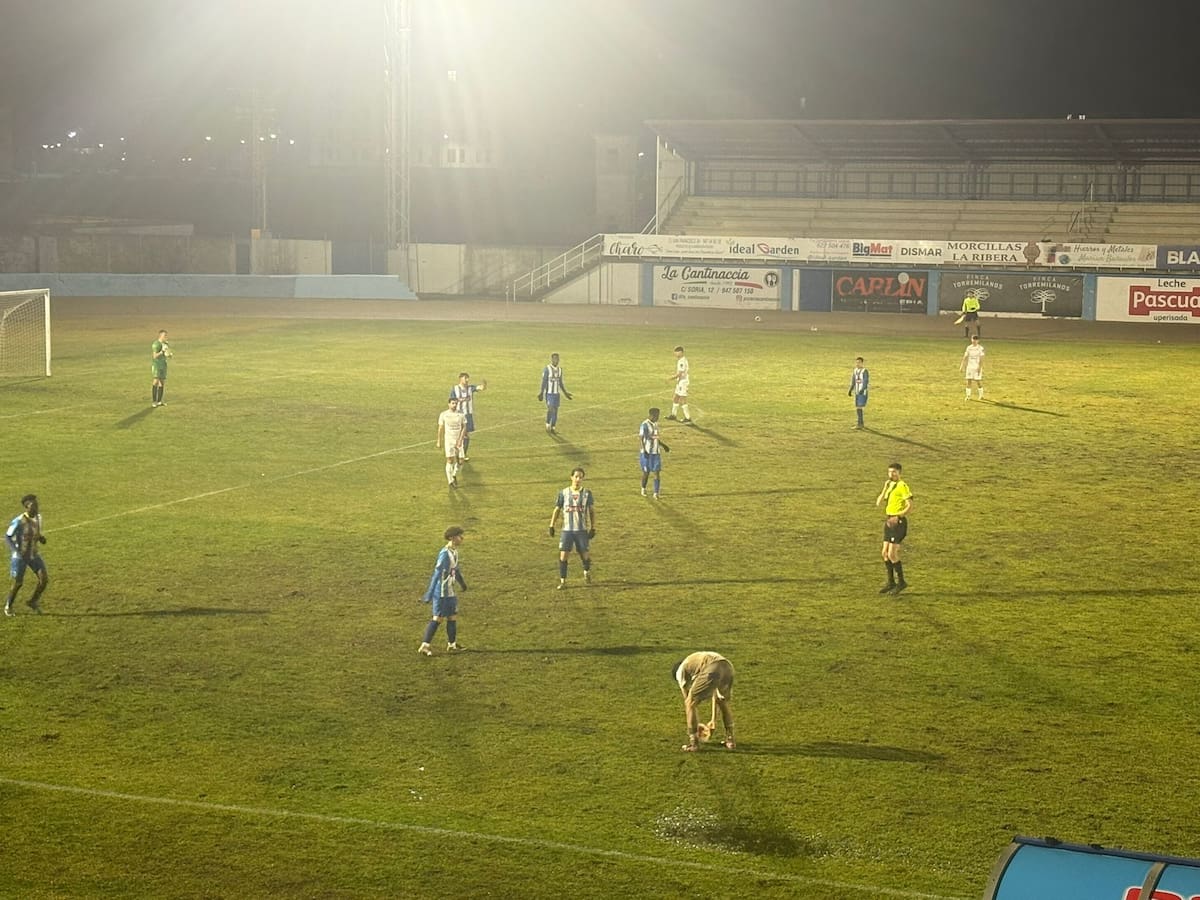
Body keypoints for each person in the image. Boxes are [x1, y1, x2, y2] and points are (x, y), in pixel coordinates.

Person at [418, 526, 468, 656]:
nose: (462, 538)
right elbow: (437, 574)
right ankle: (424, 645)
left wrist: (462, 584)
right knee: (438, 618)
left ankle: (451, 644)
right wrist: (429, 594)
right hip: (441, 592)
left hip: (450, 591)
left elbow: (455, 570)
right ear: (452, 537)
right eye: (459, 536)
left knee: (452, 616)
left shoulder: (454, 551)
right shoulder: (444, 554)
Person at [674, 651, 736, 752]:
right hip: (727, 667)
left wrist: (696, 725)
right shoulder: (695, 662)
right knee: (723, 701)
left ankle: (693, 743)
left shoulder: (680, 671)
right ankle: (730, 740)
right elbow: (716, 696)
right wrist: (713, 721)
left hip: (712, 667)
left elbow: (687, 700)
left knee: (689, 703)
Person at [548, 466, 595, 589]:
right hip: (567, 531)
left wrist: (593, 527)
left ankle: (586, 571)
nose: (578, 479)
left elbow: (591, 511)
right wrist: (551, 525)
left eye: (580, 477)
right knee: (563, 556)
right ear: (571, 477)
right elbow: (557, 509)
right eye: (576, 476)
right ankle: (563, 581)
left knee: (584, 554)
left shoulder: (586, 494)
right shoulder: (563, 493)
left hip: (581, 530)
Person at [5, 494, 48, 616]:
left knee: (43, 580)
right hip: (20, 557)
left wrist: (41, 538)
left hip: (33, 554)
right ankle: (8, 606)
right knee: (18, 583)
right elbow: (7, 536)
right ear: (27, 508)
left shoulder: (39, 518)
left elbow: (36, 533)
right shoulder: (19, 521)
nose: (36, 508)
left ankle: (32, 601)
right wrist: (15, 550)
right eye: (33, 506)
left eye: (37, 505)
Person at [875, 462, 913, 595]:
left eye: (894, 472)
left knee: (892, 554)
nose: (892, 474)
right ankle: (891, 582)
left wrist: (899, 515)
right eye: (890, 472)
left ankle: (901, 582)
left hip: (898, 523)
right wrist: (885, 488)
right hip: (889, 521)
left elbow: (910, 505)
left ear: (899, 473)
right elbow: (879, 502)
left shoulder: (902, 486)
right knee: (884, 553)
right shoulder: (890, 485)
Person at [449, 372, 487, 459]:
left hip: (468, 415)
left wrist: (484, 385)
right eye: (465, 378)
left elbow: (481, 388)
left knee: (466, 435)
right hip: (458, 415)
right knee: (458, 434)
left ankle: (463, 453)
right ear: (460, 379)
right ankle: (457, 452)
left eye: (468, 378)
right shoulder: (455, 389)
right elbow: (451, 401)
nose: (467, 380)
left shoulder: (470, 388)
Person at [537, 352, 573, 434]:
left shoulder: (560, 370)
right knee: (550, 408)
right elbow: (544, 381)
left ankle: (553, 427)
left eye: (558, 359)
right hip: (549, 394)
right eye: (555, 358)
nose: (556, 360)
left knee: (555, 410)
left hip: (557, 394)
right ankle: (547, 424)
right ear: (552, 359)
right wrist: (541, 393)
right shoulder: (547, 369)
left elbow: (560, 382)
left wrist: (565, 393)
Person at [436, 396, 468, 488]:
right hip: (449, 440)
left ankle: (454, 474)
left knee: (461, 461)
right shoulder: (444, 414)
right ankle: (450, 481)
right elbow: (440, 428)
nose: (454, 405)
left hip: (458, 441)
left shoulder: (461, 414)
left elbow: (464, 427)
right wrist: (439, 441)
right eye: (453, 403)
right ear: (449, 404)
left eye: (456, 403)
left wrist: (460, 440)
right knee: (450, 460)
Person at [638, 407, 670, 498]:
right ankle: (643, 488)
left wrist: (663, 445)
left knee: (656, 472)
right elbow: (641, 438)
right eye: (657, 415)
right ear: (652, 415)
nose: (658, 417)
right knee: (646, 472)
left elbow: (655, 438)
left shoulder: (655, 424)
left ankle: (656, 493)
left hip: (656, 453)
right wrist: (644, 451)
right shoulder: (644, 425)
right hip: (647, 453)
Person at [667, 345, 692, 424]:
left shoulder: (682, 361)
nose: (675, 355)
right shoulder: (681, 360)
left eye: (676, 353)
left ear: (681, 352)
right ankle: (673, 415)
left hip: (683, 382)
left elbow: (680, 373)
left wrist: (671, 378)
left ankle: (688, 418)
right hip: (680, 382)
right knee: (675, 397)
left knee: (682, 399)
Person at [151, 329, 172, 407]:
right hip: (157, 365)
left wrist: (169, 354)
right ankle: (154, 401)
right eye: (164, 336)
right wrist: (161, 352)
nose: (166, 337)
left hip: (163, 364)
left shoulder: (165, 344)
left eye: (166, 335)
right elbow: (154, 356)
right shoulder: (156, 344)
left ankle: (159, 401)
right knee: (155, 381)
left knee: (162, 382)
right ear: (160, 336)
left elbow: (167, 353)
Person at [960, 334, 985, 401]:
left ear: (978, 341)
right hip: (970, 367)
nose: (974, 341)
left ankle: (981, 395)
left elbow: (982, 358)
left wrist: (979, 367)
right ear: (971, 340)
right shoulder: (969, 348)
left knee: (978, 381)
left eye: (976, 340)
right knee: (969, 381)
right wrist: (962, 366)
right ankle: (968, 396)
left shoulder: (980, 348)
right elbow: (965, 357)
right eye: (973, 339)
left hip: (976, 367)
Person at [848, 356, 869, 430]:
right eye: (857, 362)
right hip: (857, 392)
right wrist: (850, 389)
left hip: (862, 393)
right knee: (857, 407)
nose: (857, 364)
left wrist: (862, 390)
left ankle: (860, 424)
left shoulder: (864, 371)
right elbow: (853, 381)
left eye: (859, 362)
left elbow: (866, 381)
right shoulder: (855, 370)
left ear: (862, 363)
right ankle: (860, 423)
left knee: (859, 407)